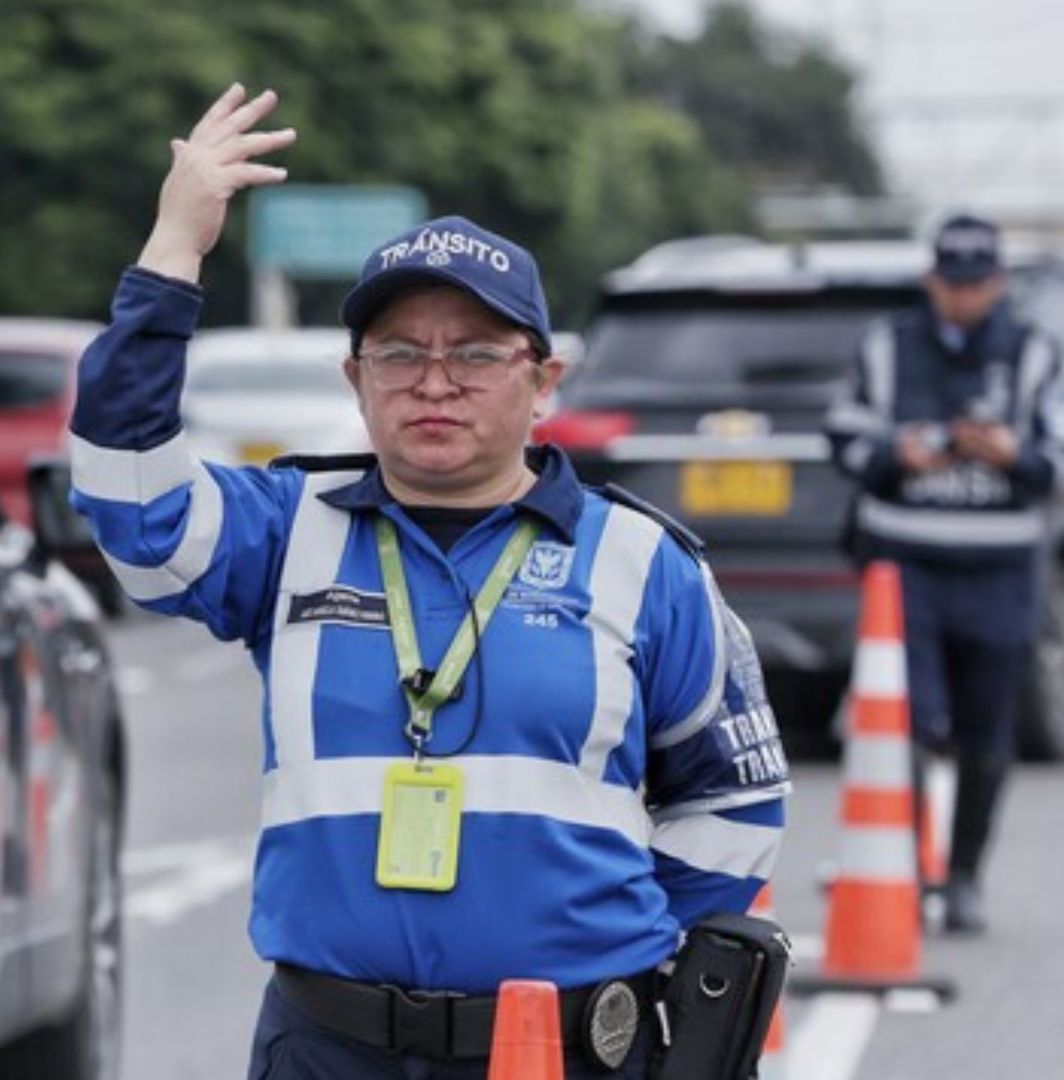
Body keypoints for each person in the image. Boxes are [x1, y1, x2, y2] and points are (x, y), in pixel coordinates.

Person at [66, 84, 789, 1079]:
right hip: (329, 1047)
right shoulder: (286, 530)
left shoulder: (641, 560)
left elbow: (738, 799)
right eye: (399, 353)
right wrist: (172, 254)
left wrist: (612, 955)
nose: (434, 382)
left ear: (544, 379)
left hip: (567, 1052)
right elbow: (131, 506)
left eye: (477, 355)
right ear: (355, 378)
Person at [825, 213, 1064, 935]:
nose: (963, 296)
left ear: (996, 283)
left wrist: (1007, 453)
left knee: (987, 735)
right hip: (906, 569)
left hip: (1000, 570)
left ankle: (965, 875)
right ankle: (904, 865)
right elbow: (842, 437)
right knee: (909, 723)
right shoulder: (887, 347)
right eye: (951, 282)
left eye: (977, 284)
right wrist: (899, 454)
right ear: (932, 279)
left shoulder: (1032, 354)